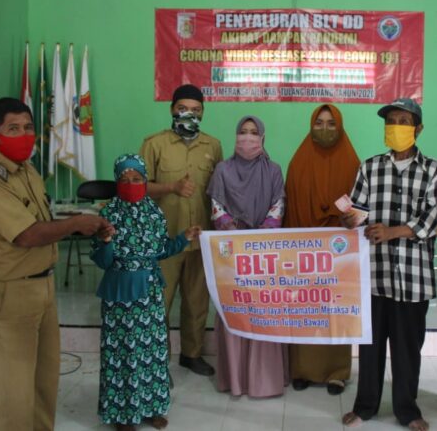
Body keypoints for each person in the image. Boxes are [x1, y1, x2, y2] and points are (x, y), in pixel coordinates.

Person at [0, 97, 113, 431]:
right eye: (13, 129)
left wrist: (82, 220)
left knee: (44, 381)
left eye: (28, 127)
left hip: (42, 287)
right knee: (14, 391)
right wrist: (77, 224)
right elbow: (26, 234)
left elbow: (42, 219)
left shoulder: (27, 169)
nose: (23, 135)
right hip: (10, 294)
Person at [341, 98, 437, 431]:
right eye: (391, 121)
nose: (396, 127)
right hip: (373, 276)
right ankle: (365, 406)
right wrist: (350, 219)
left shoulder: (433, 170)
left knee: (407, 350)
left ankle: (407, 410)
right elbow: (358, 211)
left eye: (403, 121)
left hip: (413, 279)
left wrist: (391, 231)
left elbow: (432, 219)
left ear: (418, 128)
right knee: (370, 348)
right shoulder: (370, 167)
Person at [91, 154, 201, 431]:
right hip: (120, 293)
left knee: (153, 350)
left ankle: (153, 407)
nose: (131, 184)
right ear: (116, 182)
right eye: (125, 179)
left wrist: (183, 238)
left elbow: (161, 250)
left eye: (137, 178)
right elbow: (102, 261)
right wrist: (106, 242)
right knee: (123, 352)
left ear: (145, 180)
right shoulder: (108, 213)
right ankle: (123, 414)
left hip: (150, 292)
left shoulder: (154, 212)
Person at [140, 84, 223, 376]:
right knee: (159, 302)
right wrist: (170, 187)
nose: (190, 114)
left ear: (203, 112)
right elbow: (137, 188)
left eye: (196, 110)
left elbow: (219, 190)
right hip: (164, 240)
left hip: (200, 239)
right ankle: (157, 357)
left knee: (197, 302)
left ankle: (192, 354)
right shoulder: (155, 144)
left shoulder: (213, 146)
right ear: (172, 109)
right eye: (183, 109)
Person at [206, 115, 289, 397]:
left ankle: (264, 379)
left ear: (262, 137)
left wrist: (259, 237)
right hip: (231, 254)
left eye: (254, 132)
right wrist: (234, 232)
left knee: (263, 310)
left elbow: (278, 206)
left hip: (262, 253)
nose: (248, 138)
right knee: (235, 309)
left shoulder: (273, 170)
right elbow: (216, 206)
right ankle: (236, 378)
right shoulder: (222, 169)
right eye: (243, 131)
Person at [284, 104, 361, 395]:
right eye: (319, 123)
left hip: (339, 252)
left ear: (340, 126)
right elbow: (291, 206)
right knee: (306, 307)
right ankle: (302, 370)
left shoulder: (353, 164)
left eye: (331, 123)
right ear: (311, 126)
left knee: (336, 308)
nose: (325, 129)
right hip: (305, 249)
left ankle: (337, 372)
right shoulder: (298, 162)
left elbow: (360, 206)